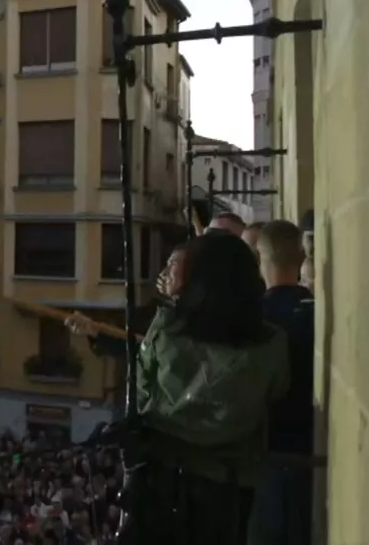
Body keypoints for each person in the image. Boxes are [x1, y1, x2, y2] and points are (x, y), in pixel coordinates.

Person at [67, 231, 288, 545]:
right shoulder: (273, 343)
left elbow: (141, 397)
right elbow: (277, 391)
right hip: (231, 491)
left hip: (166, 486)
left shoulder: (168, 331)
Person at [248, 220, 315, 545]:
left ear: (261, 259)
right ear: (301, 257)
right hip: (313, 449)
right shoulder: (315, 310)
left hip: (267, 451)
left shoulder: (252, 319)